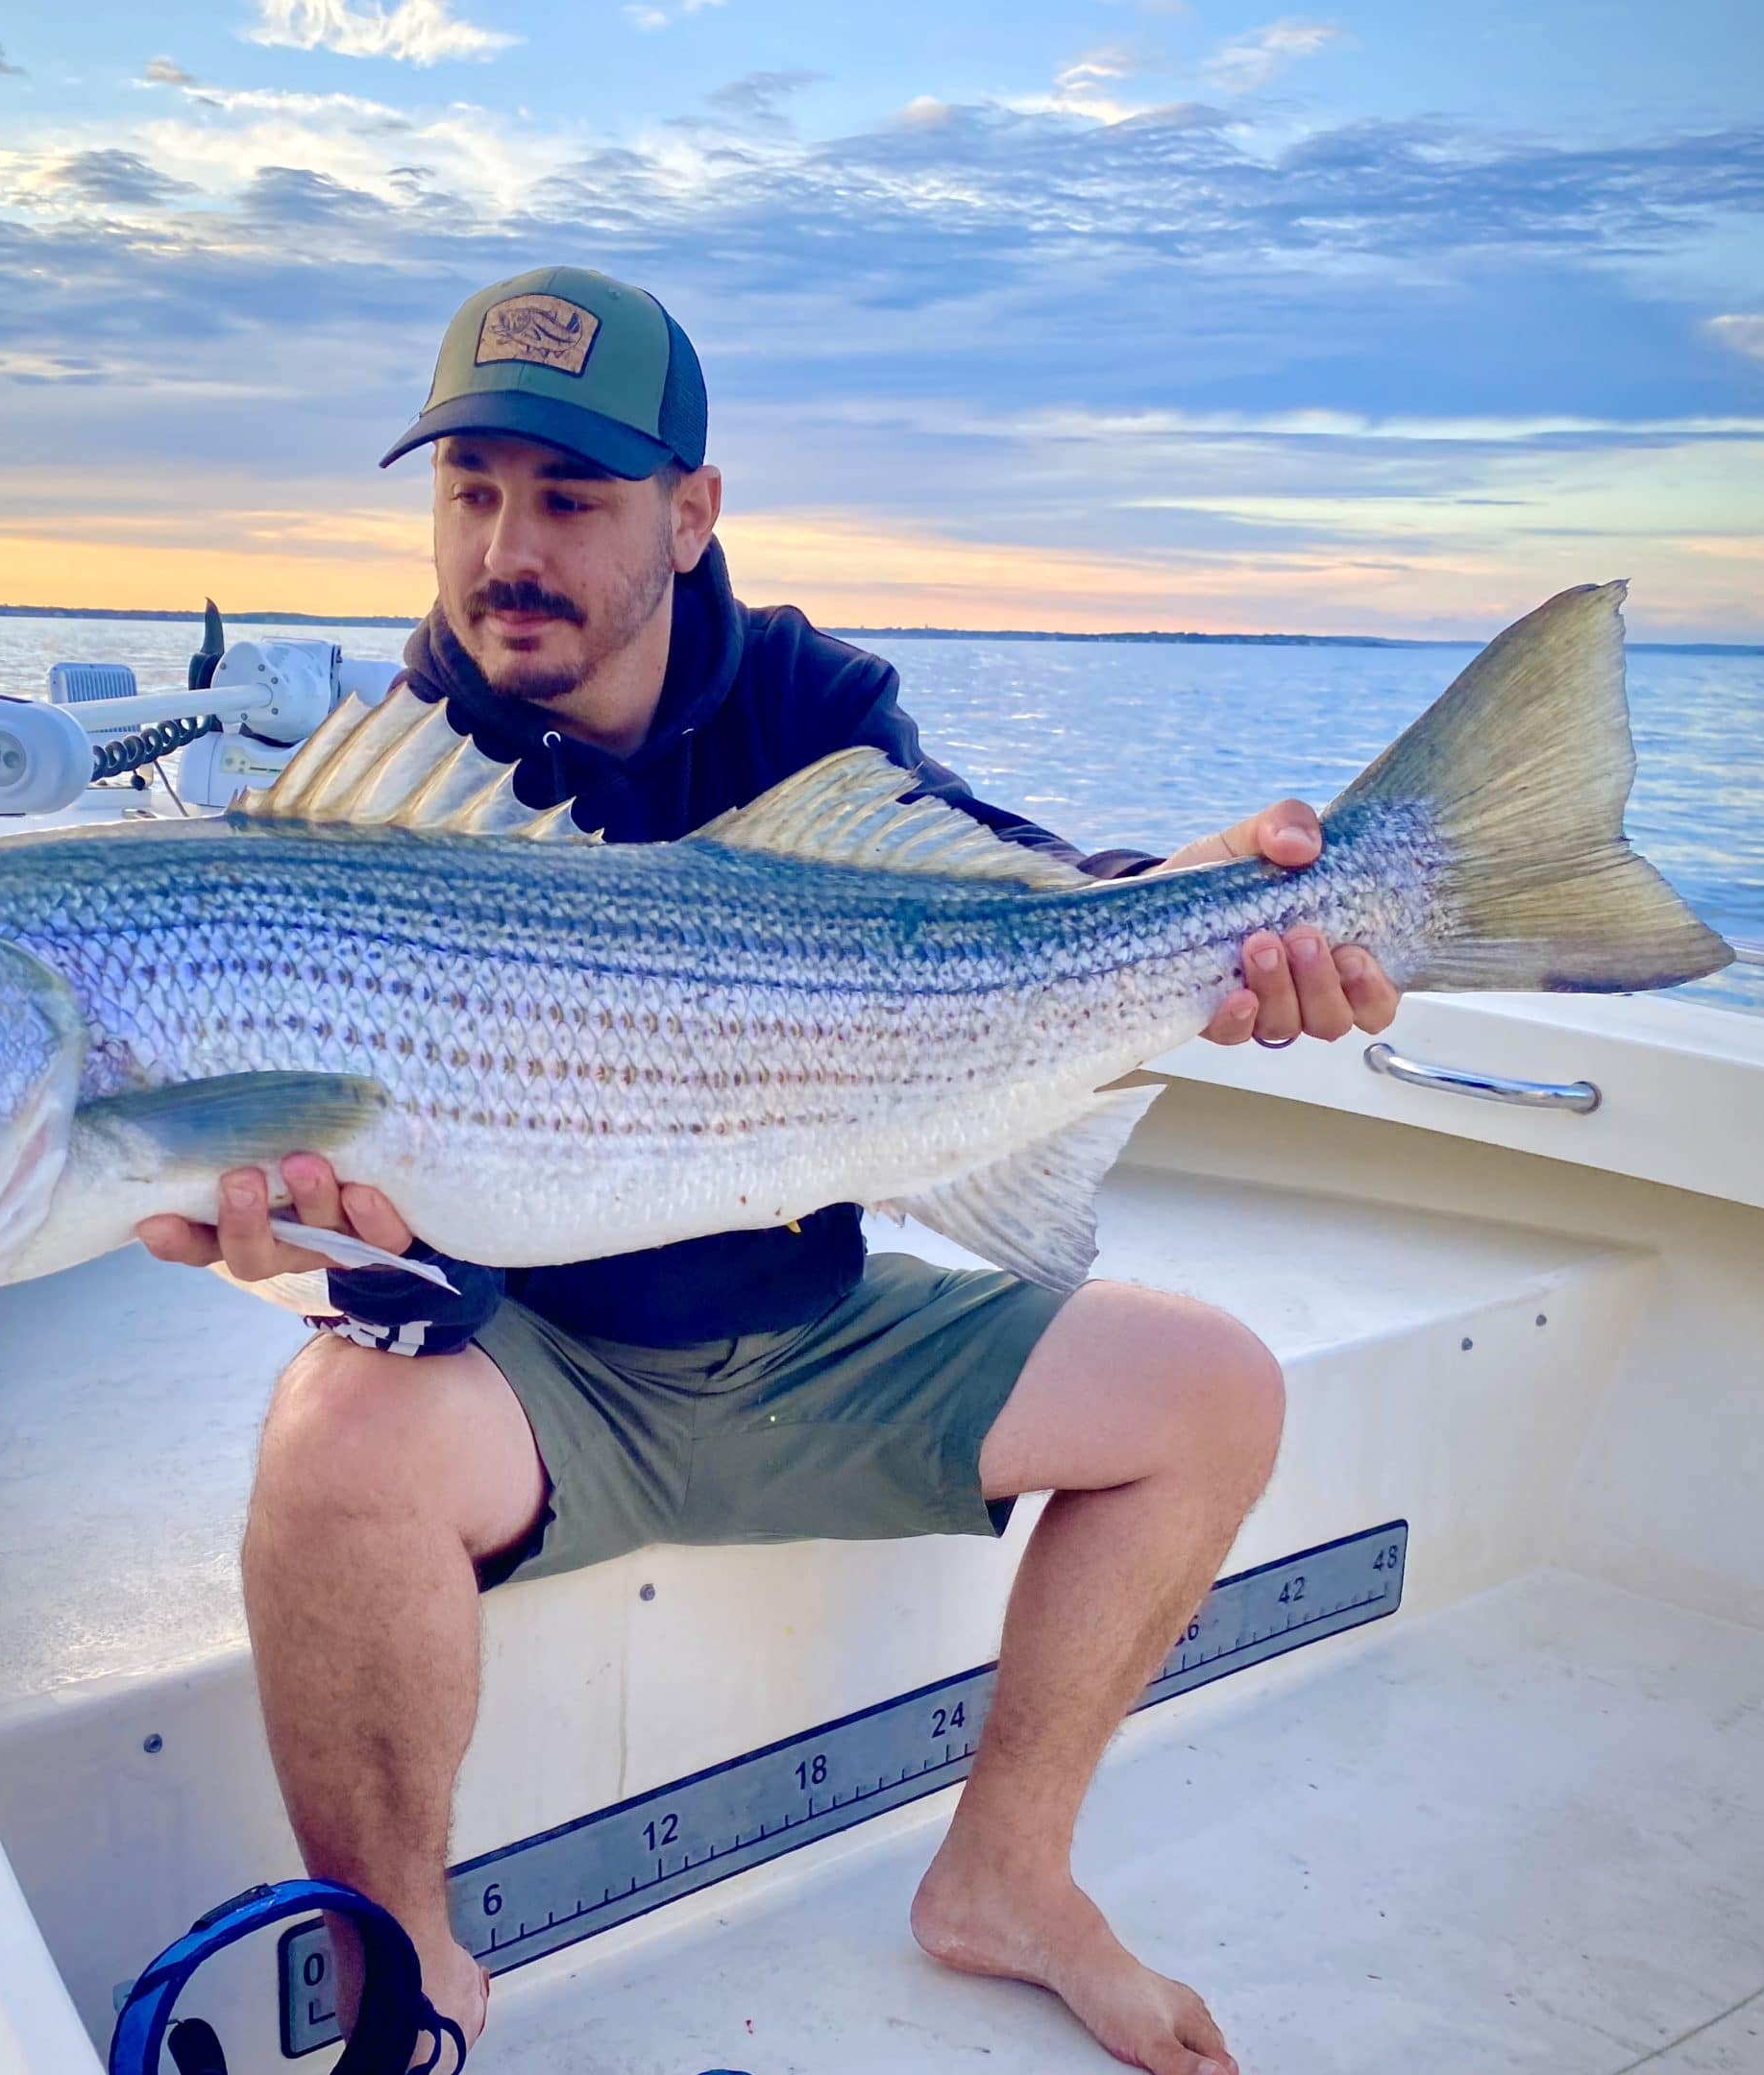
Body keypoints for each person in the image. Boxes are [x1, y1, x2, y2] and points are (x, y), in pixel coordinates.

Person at [138, 266, 1401, 2075]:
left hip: (817, 1334)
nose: (509, 546)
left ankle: (1006, 1878)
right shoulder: (383, 786)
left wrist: (1227, 901)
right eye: (471, 489)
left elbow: (1020, 901)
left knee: (1215, 1388)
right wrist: (295, 1235)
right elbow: (369, 1244)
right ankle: (405, 1974)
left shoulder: (811, 701)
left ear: (691, 510)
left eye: (571, 499)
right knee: (326, 1444)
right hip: (539, 1375)